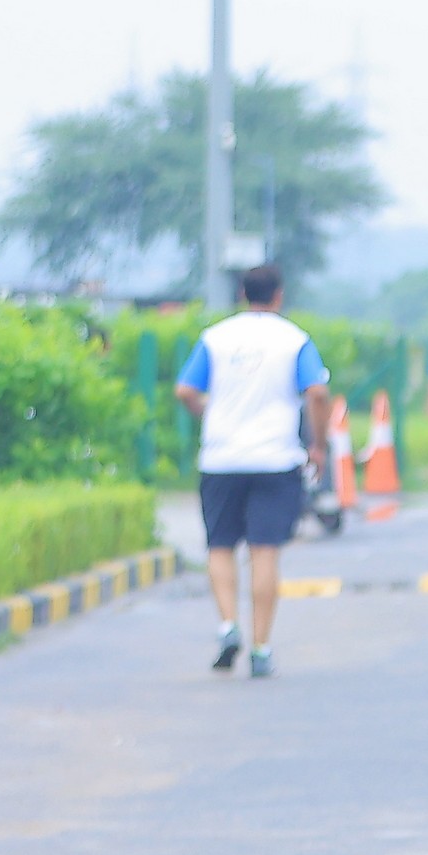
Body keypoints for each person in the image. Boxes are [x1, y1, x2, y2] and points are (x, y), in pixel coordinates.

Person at [175, 264, 328, 679]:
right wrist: (318, 445)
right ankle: (261, 648)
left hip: (221, 458)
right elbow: (317, 392)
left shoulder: (216, 338)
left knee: (220, 546)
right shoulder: (294, 340)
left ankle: (228, 625)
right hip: (275, 459)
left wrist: (206, 412)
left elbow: (185, 389)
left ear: (242, 294)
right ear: (279, 295)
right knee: (264, 552)